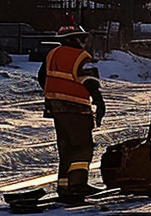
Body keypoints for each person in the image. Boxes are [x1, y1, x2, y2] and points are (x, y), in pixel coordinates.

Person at [38, 28, 105, 203]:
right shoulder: (82, 57)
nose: (83, 42)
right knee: (82, 145)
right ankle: (78, 184)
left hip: (56, 108)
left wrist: (54, 93)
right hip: (77, 107)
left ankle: (64, 185)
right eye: (81, 39)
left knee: (66, 146)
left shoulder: (52, 54)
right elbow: (90, 81)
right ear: (74, 39)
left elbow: (41, 76)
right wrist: (98, 101)